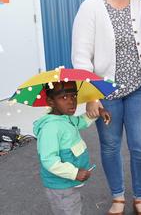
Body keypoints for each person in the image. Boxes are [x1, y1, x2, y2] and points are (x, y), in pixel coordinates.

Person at [72, 0, 141, 215]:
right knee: (110, 146)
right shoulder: (91, 6)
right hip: (105, 92)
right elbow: (82, 56)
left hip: (140, 86)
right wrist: (90, 96)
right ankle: (118, 197)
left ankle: (140, 197)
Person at [33, 81, 110, 215]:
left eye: (73, 96)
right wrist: (74, 173)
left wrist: (99, 111)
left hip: (69, 182)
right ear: (51, 102)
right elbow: (49, 160)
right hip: (61, 186)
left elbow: (81, 121)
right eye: (63, 97)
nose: (71, 101)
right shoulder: (51, 128)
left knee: (74, 207)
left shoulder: (65, 118)